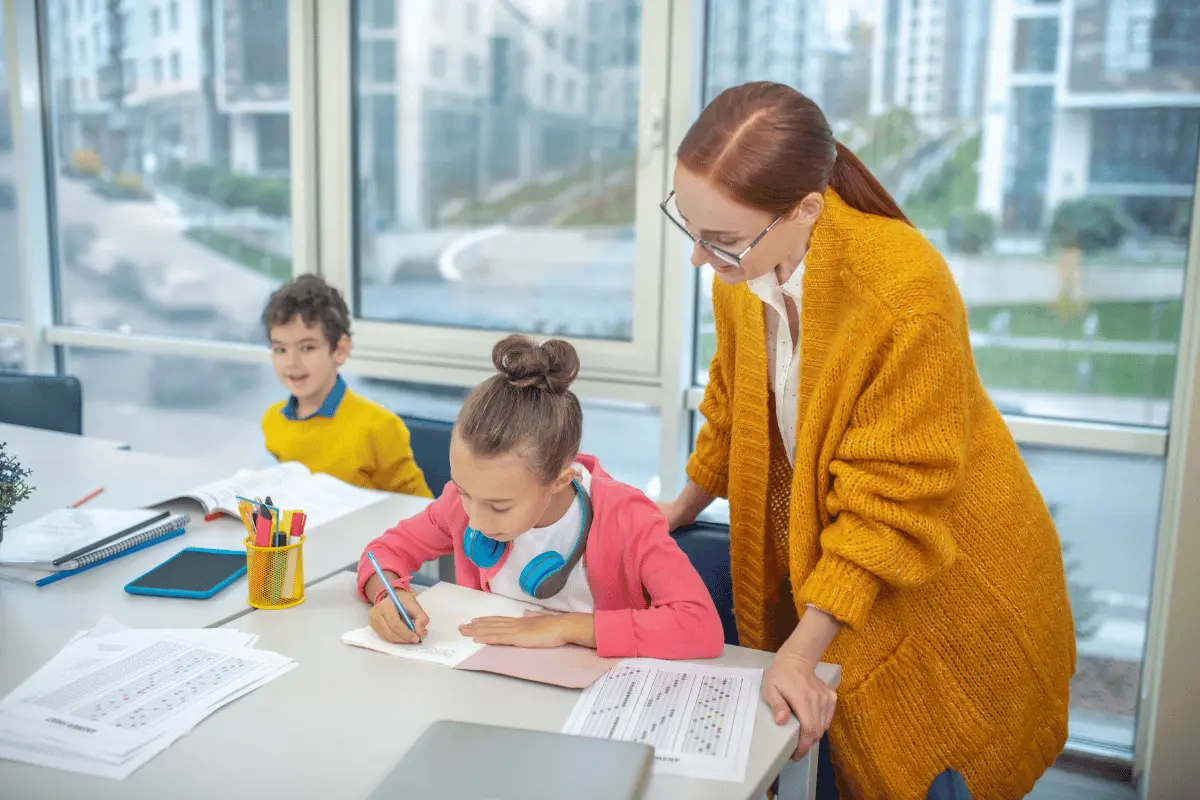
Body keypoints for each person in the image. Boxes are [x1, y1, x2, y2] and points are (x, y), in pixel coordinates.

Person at [655, 82, 1075, 799]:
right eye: (688, 226)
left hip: (955, 589)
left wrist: (800, 647)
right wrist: (671, 513)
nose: (700, 259)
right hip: (861, 570)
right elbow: (732, 415)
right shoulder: (742, 271)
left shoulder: (903, 290)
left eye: (719, 239)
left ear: (806, 211)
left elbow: (890, 507)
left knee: (925, 763)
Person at [357, 334, 724, 660]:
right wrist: (390, 596)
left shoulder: (626, 518)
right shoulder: (461, 502)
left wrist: (565, 627)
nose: (478, 520)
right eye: (467, 493)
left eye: (500, 506)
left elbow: (699, 625)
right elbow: (383, 553)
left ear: (561, 480)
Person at [261, 274, 432, 497]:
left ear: (339, 350)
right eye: (280, 349)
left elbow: (420, 509)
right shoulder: (273, 421)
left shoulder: (379, 427)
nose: (292, 363)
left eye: (307, 348)